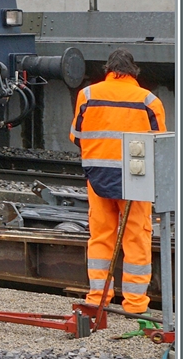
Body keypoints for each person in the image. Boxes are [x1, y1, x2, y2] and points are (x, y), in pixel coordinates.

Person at [70, 48, 167, 314]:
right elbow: (160, 146)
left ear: (108, 70)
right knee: (136, 237)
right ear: (134, 71)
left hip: (97, 177)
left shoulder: (87, 95)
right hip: (136, 180)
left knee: (101, 236)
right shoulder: (149, 101)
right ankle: (135, 305)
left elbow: (76, 136)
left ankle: (97, 298)